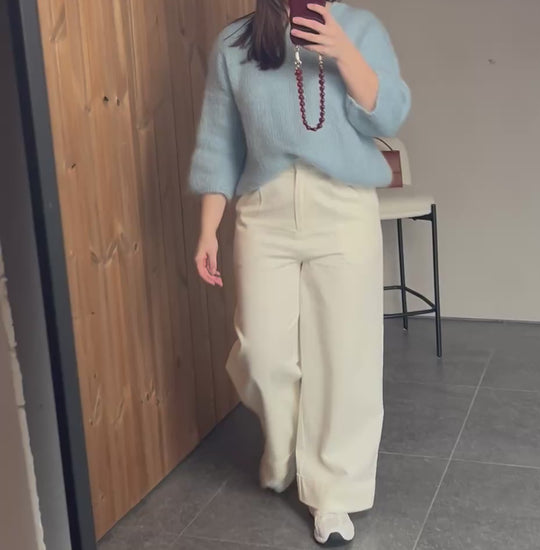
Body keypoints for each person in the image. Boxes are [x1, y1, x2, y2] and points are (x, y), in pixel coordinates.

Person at [189, 0, 410, 545]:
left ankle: (333, 495)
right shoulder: (235, 44)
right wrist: (207, 229)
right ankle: (287, 447)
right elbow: (219, 141)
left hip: (342, 207)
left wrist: (342, 51)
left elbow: (388, 116)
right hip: (263, 213)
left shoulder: (361, 29)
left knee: (345, 357)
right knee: (260, 352)